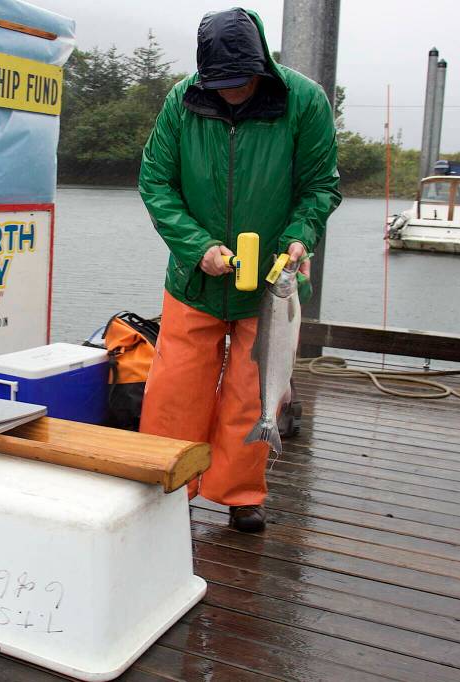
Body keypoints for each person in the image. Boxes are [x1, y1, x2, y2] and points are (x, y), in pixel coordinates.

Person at [138, 8, 341, 532]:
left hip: (274, 281)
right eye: (220, 82)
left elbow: (321, 185)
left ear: (262, 65)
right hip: (194, 277)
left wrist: (301, 235)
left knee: (254, 389)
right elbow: (156, 183)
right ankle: (168, 485)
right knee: (174, 391)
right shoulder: (180, 103)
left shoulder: (305, 101)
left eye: (241, 80)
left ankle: (240, 493)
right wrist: (197, 245)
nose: (231, 91)